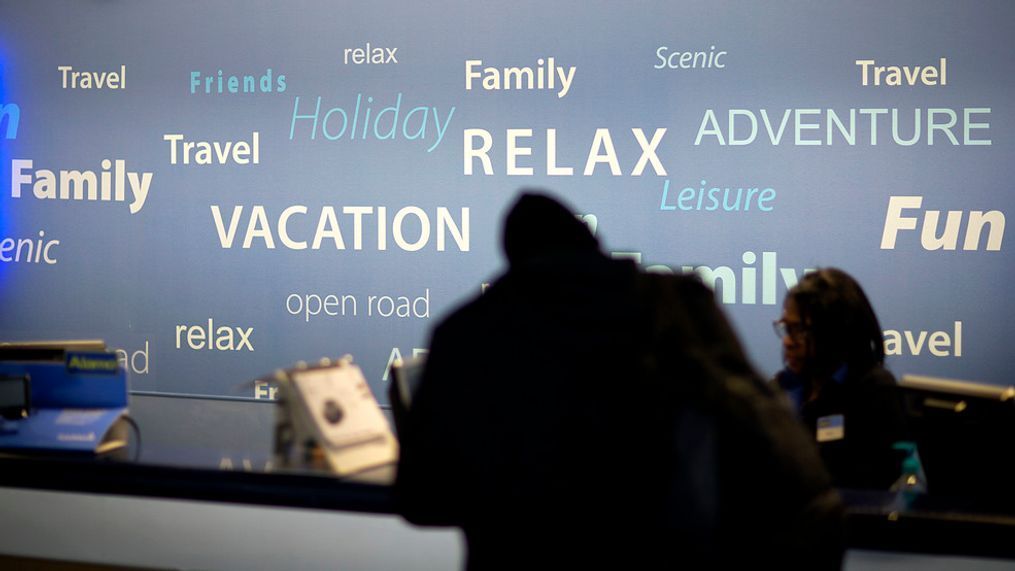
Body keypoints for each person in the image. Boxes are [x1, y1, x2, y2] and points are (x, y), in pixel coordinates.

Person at [396, 192, 843, 569]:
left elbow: (423, 498)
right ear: (595, 245)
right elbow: (769, 444)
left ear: (513, 262)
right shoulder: (678, 305)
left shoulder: (467, 334)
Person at [774, 268, 907, 489]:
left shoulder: (874, 392)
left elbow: (877, 481)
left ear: (832, 332)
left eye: (797, 330)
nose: (787, 341)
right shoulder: (780, 389)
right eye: (786, 329)